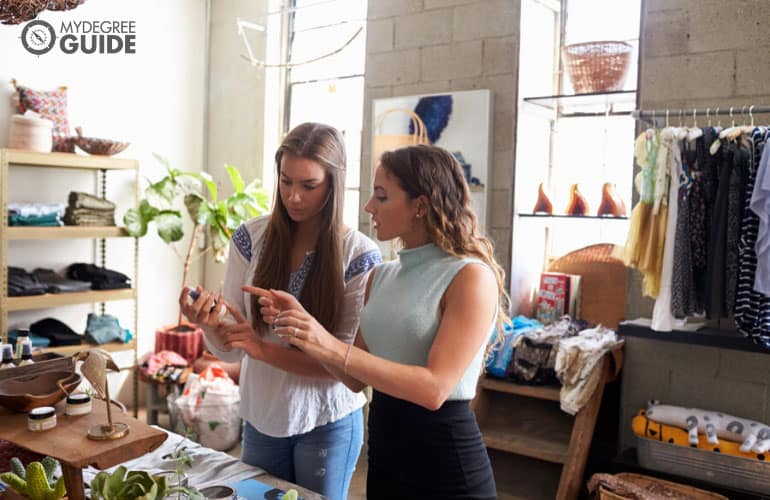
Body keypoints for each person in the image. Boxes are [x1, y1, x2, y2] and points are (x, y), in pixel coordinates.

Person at [255, 144, 508, 499]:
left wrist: (327, 343)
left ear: (420, 205)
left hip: (446, 465)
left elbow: (434, 389)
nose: (369, 206)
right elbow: (355, 377)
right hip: (386, 456)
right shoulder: (381, 277)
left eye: (381, 196)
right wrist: (303, 326)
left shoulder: (470, 277)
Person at [179, 122, 381, 500]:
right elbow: (233, 348)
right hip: (261, 415)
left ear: (334, 184)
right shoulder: (250, 238)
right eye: (286, 181)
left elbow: (345, 368)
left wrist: (261, 348)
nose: (294, 196)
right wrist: (206, 324)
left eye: (309, 185)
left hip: (327, 420)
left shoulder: (360, 255)